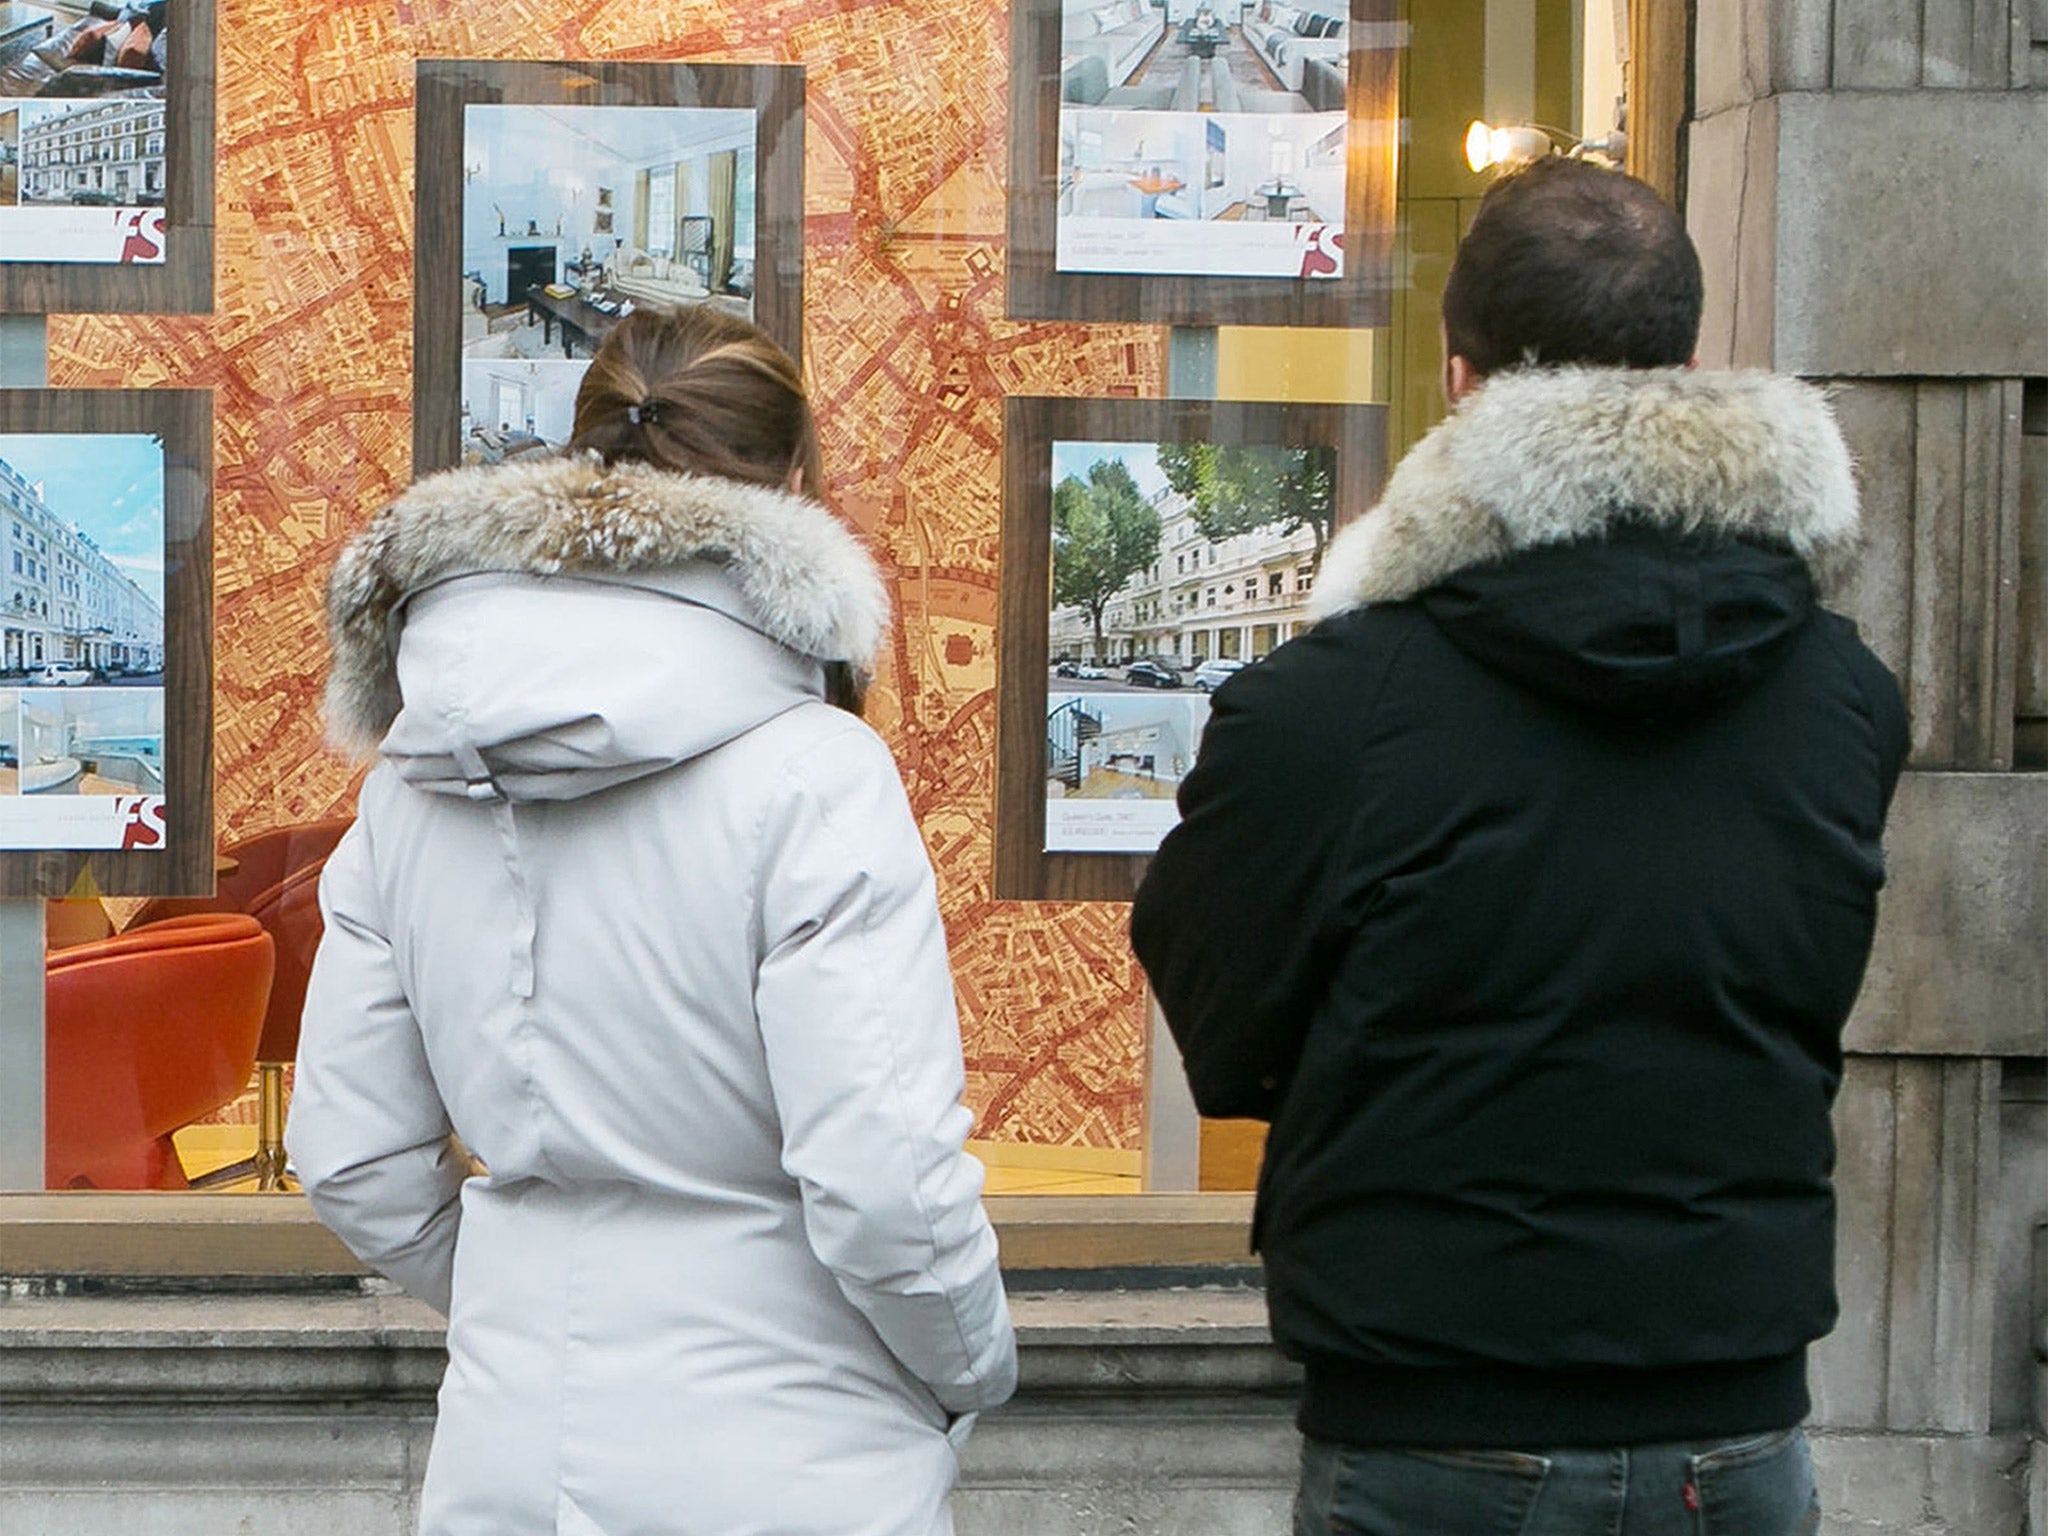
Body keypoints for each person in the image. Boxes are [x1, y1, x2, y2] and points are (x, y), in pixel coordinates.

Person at [1130, 157, 1908, 1536]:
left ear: (1460, 379)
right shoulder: (1841, 693)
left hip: (1438, 1412)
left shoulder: (1325, 708)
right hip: (1724, 1413)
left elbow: (1227, 1023)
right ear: (1681, 367)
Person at [287, 307, 1017, 1536]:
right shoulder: (814, 775)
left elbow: (354, 1156)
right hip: (798, 1452)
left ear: (581, 469)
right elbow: (885, 1185)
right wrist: (968, 1372)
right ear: (792, 490)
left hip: (506, 1453)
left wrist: (534, 1312)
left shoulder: (411, 786)